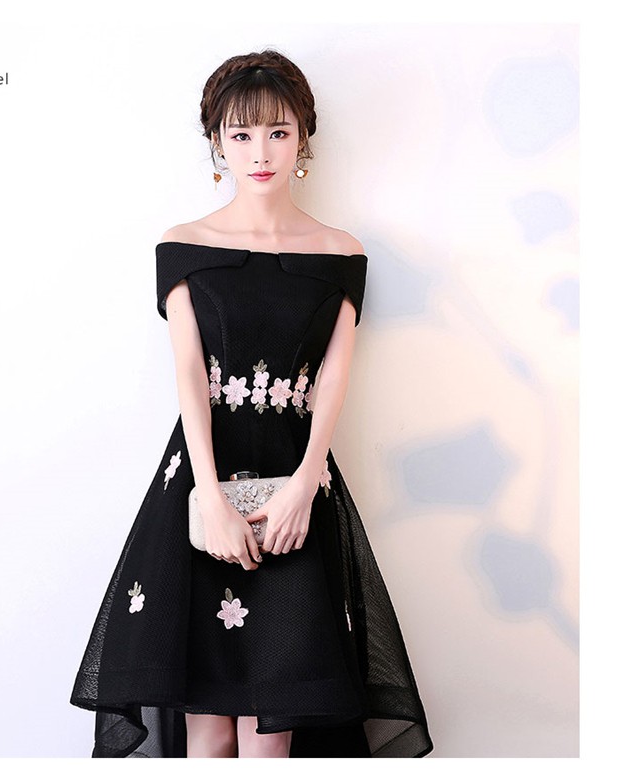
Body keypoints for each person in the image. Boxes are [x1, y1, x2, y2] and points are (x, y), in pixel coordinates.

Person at [70, 48, 434, 759]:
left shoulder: (340, 252)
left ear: (303, 140)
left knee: (275, 724)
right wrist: (210, 497)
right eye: (240, 134)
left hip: (297, 490)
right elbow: (188, 374)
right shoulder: (184, 245)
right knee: (207, 728)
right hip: (198, 486)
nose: (260, 152)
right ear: (217, 143)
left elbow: (333, 377)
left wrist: (304, 483)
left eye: (277, 132)